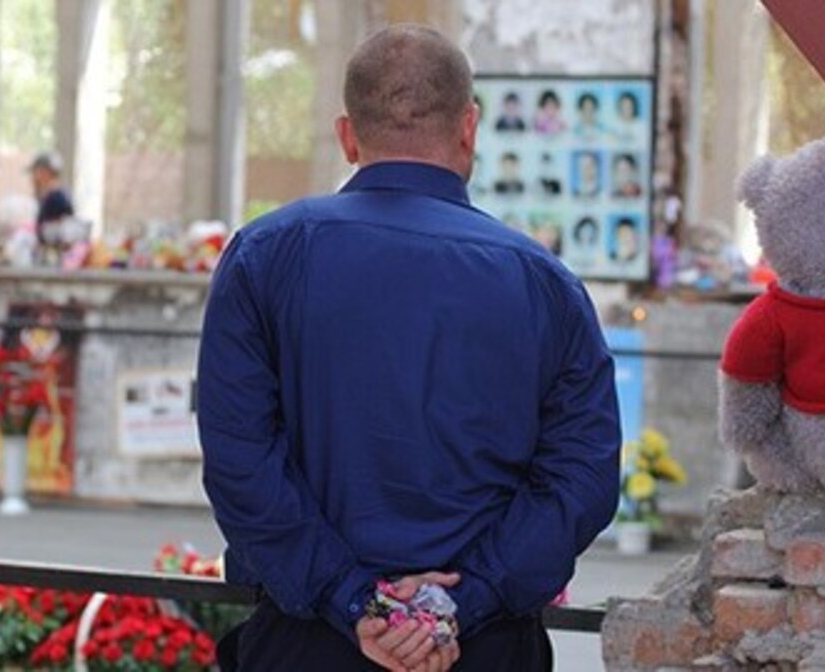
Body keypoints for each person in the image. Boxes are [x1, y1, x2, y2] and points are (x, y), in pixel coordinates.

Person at [197, 25, 620, 672]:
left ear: (347, 136)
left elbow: (240, 461)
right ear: (470, 128)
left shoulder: (264, 258)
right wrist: (457, 605)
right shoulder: (544, 284)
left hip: (306, 644)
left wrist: (352, 601)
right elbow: (582, 478)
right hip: (482, 650)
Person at [28, 152, 75, 247]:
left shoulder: (58, 197)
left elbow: (63, 230)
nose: (32, 177)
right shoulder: (49, 195)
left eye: (35, 172)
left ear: (45, 172)